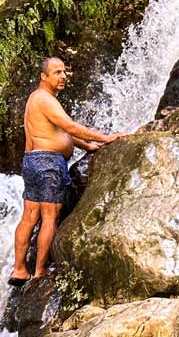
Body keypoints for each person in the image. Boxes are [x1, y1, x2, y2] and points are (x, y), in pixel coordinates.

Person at [10, 56, 120, 285]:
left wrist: (86, 145)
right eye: (57, 72)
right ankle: (39, 272)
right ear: (44, 76)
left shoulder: (35, 99)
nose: (63, 76)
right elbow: (69, 126)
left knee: (30, 217)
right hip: (49, 163)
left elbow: (57, 132)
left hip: (31, 161)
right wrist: (106, 138)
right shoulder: (46, 99)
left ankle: (19, 269)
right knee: (50, 217)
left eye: (64, 72)